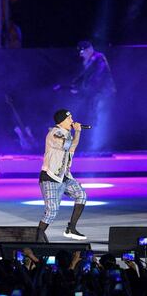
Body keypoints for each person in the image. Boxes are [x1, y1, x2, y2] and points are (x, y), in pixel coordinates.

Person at [36, 109, 87, 242]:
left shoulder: (66, 133)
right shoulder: (55, 133)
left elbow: (72, 148)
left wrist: (77, 132)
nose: (72, 121)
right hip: (51, 177)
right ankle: (38, 237)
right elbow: (68, 146)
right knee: (51, 211)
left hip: (64, 176)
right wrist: (77, 131)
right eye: (69, 119)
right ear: (62, 121)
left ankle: (71, 228)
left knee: (81, 195)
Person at [71, 40, 116, 152]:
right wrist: (75, 84)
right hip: (95, 94)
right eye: (80, 52)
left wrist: (84, 89)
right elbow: (83, 76)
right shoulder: (88, 61)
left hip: (104, 94)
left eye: (83, 51)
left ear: (89, 49)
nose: (81, 54)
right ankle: (91, 146)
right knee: (91, 116)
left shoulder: (99, 58)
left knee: (100, 118)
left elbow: (98, 76)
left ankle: (100, 147)